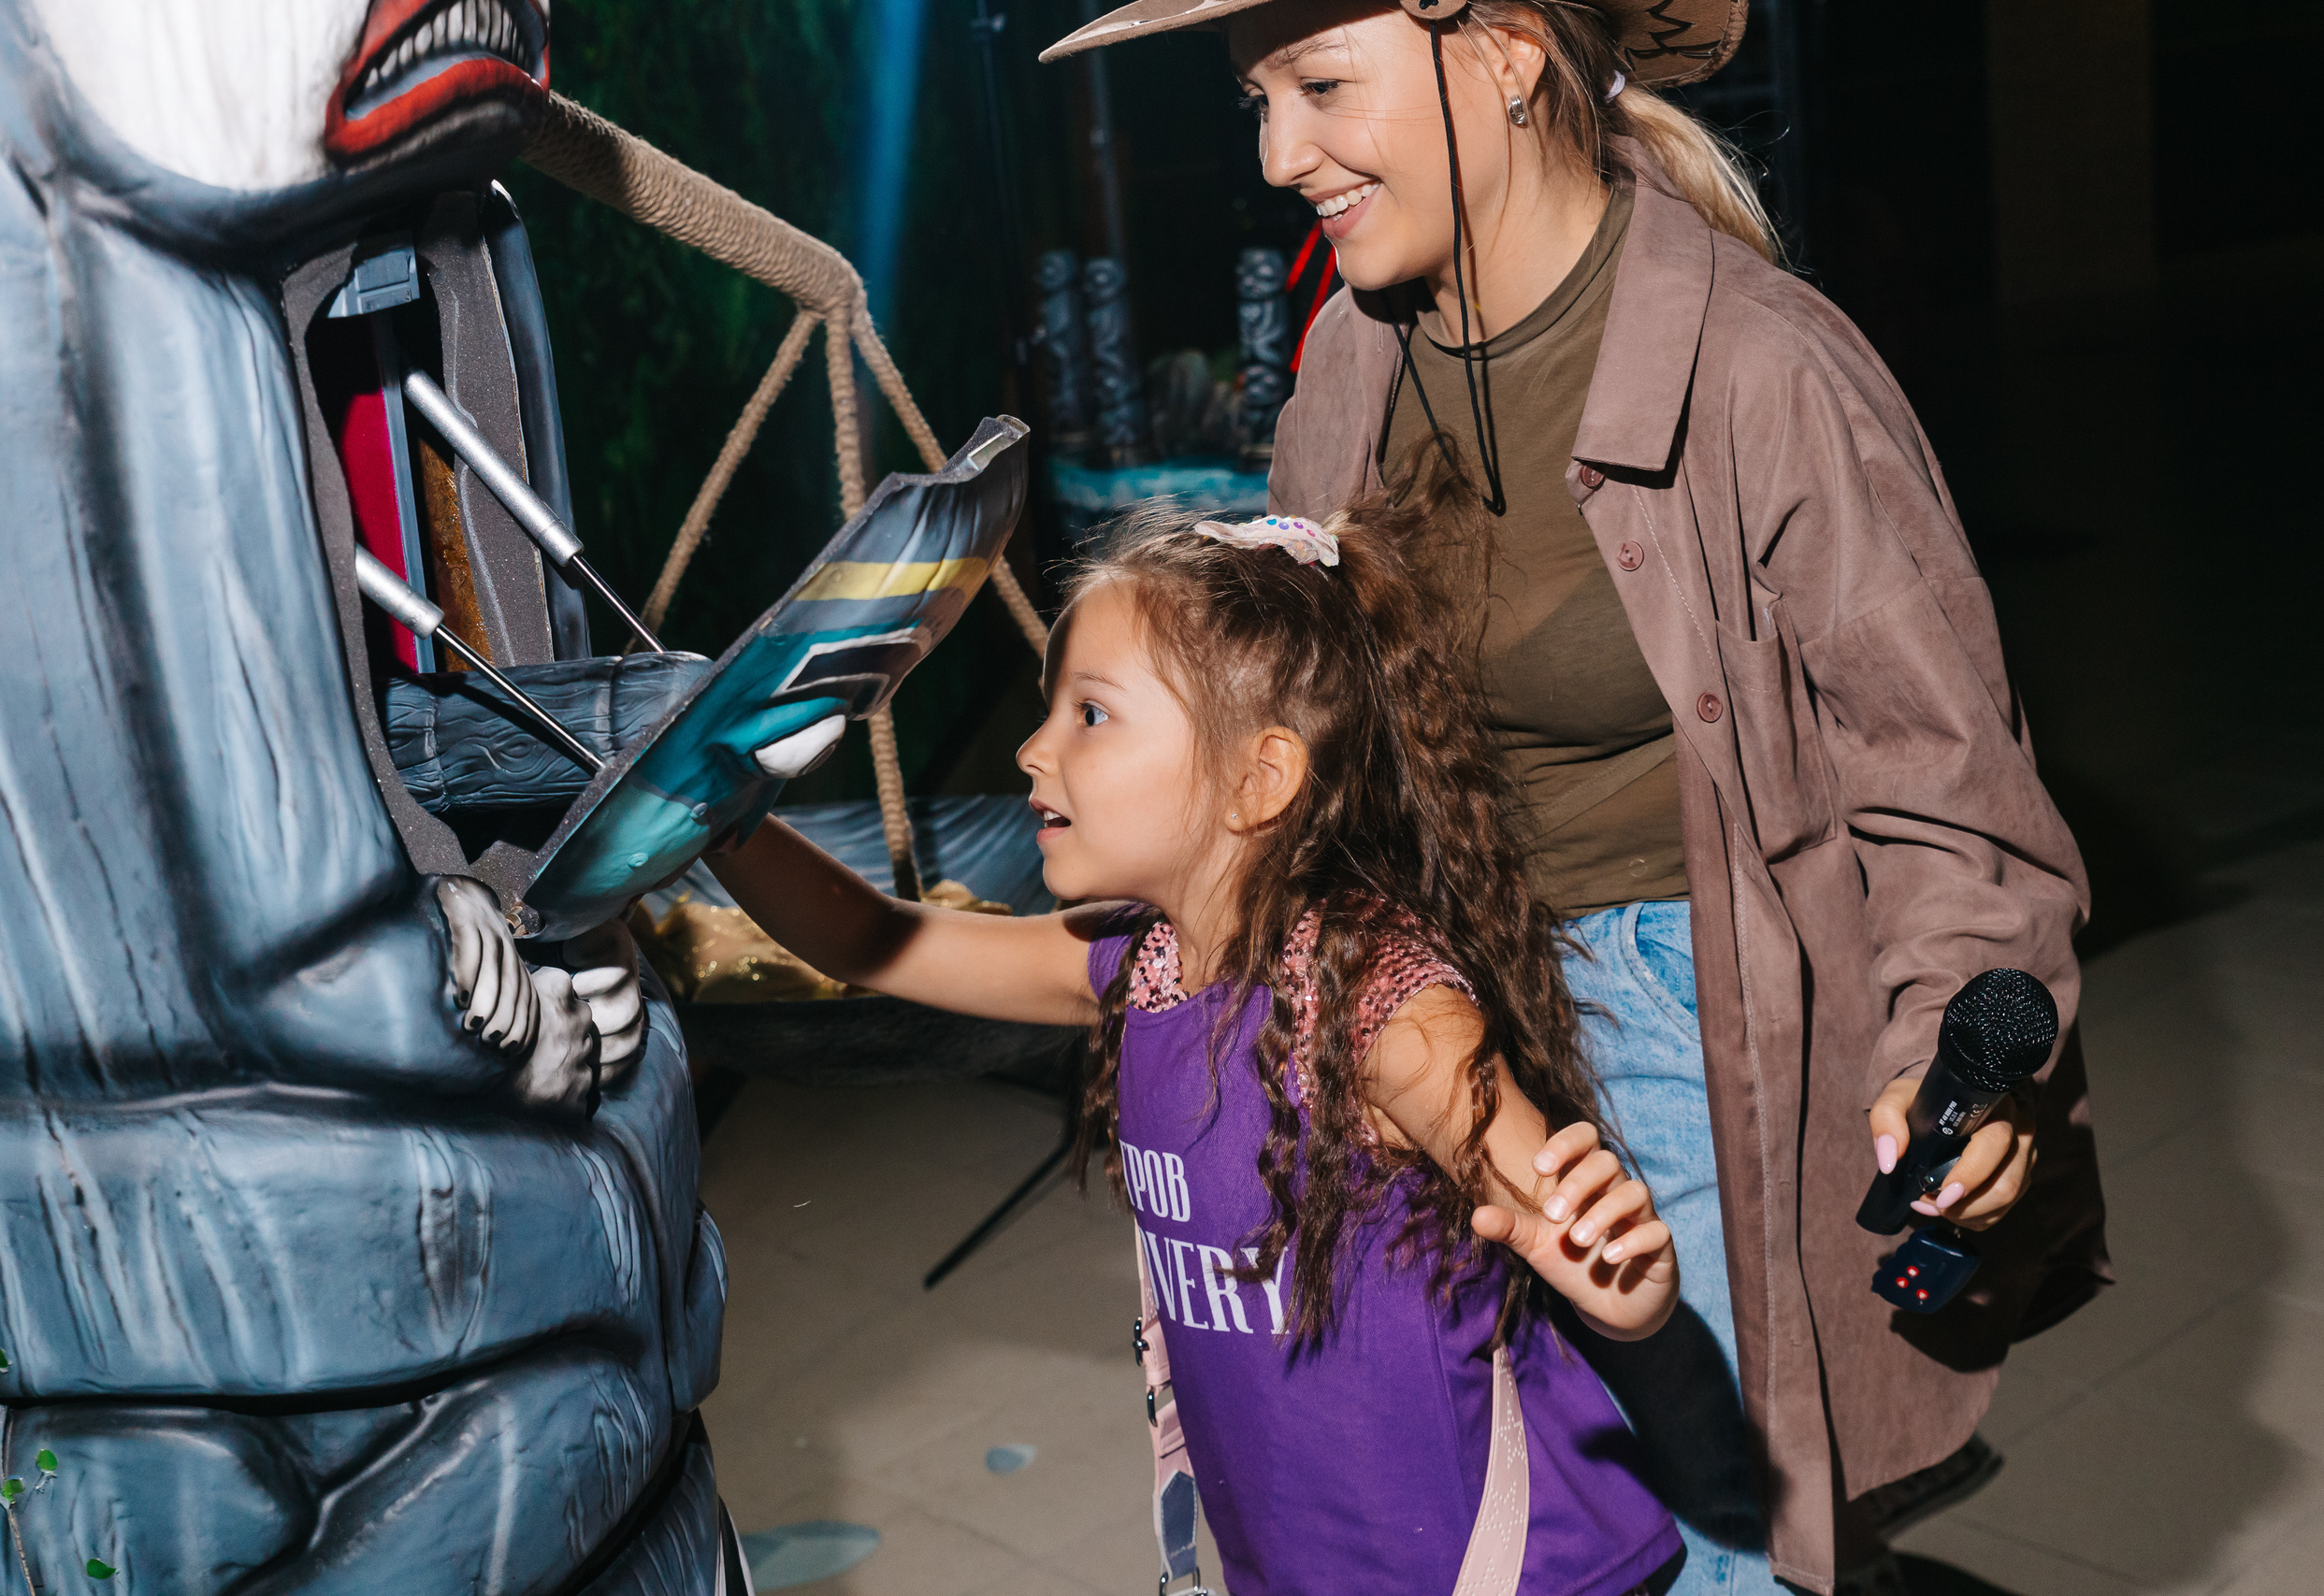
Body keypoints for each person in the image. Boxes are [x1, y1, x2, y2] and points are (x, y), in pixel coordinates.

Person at [1033, 3, 2112, 1593]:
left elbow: (1945, 781)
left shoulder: (1765, 369)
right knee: (1515, 1520)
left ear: (1509, 50)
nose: (1277, 154)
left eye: (1323, 87)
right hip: (1436, 1009)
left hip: (1688, 1020)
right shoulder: (1349, 363)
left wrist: (1957, 1030)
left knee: (1718, 1540)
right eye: (1258, 100)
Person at [709, 504, 1689, 1595]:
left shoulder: (1383, 1008)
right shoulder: (1140, 967)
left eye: (1090, 714)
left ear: (1256, 779)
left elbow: (1581, 1244)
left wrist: (1628, 1282)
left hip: (1509, 1569)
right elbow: (871, 941)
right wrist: (721, 814)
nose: (1034, 749)